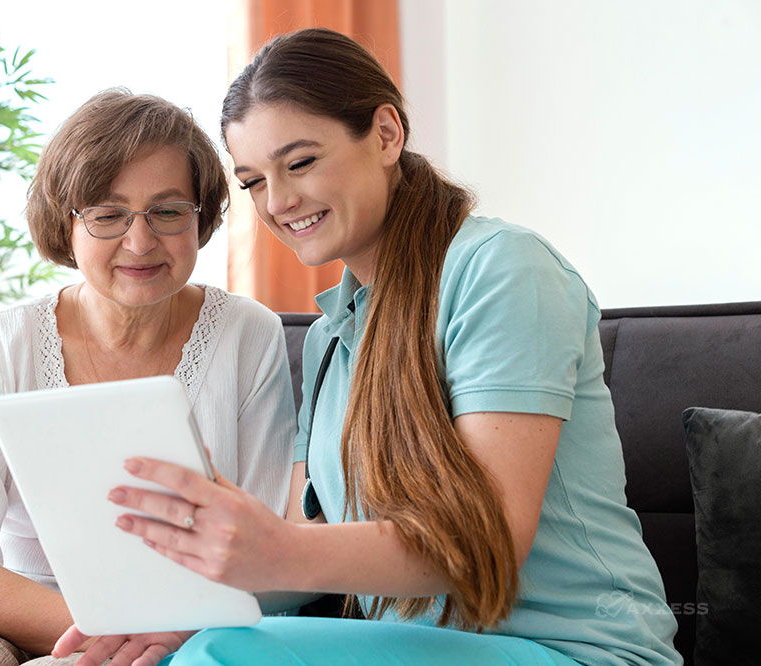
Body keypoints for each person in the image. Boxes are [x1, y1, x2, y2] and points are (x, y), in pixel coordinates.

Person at [55, 29, 682, 666]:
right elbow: (305, 551)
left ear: (386, 134)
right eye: (254, 181)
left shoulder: (502, 270)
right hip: (421, 648)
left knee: (217, 656)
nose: (279, 201)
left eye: (300, 162)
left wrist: (273, 549)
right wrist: (176, 613)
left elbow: (486, 542)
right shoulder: (329, 338)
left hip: (575, 650)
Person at [0, 89, 297, 666]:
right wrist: (96, 630)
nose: (140, 241)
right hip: (14, 609)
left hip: (181, 623)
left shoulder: (248, 335)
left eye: (168, 211)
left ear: (200, 217)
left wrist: (146, 633)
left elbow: (266, 540)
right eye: (107, 215)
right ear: (66, 224)